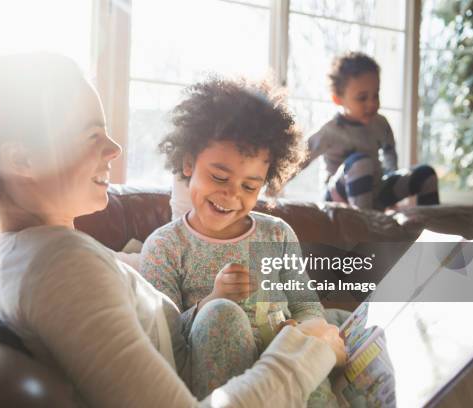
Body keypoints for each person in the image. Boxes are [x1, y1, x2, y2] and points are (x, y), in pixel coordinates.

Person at [0, 52, 346, 407]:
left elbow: (174, 345)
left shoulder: (45, 255)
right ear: (21, 161)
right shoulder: (59, 270)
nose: (114, 148)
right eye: (93, 136)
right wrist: (308, 354)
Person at [141, 76, 340, 406]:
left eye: (250, 187)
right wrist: (213, 299)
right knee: (222, 314)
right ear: (189, 162)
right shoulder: (166, 247)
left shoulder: (276, 235)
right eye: (219, 177)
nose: (231, 194)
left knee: (315, 336)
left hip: (286, 376)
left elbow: (307, 306)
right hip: (223, 385)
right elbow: (165, 342)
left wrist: (300, 330)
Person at [299, 51, 439, 210]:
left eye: (376, 95)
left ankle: (431, 229)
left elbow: (390, 157)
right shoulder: (330, 130)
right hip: (338, 200)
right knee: (361, 163)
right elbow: (298, 159)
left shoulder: (380, 123)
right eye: (362, 98)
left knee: (425, 174)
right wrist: (273, 187)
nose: (372, 103)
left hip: (375, 193)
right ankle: (365, 227)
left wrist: (391, 190)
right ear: (338, 99)